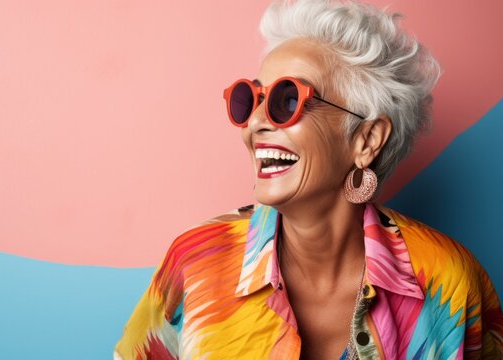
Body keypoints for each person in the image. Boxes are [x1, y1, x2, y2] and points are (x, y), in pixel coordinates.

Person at [114, 0, 503, 358]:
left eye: (287, 99)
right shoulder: (194, 263)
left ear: (366, 140)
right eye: (251, 99)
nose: (255, 123)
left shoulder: (450, 283)